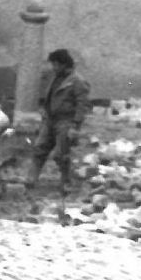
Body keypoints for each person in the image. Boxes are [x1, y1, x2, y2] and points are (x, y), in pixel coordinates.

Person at [28, 48, 93, 189]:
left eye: (56, 64)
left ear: (64, 64)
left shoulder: (77, 81)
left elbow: (82, 105)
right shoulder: (56, 78)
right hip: (50, 120)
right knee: (39, 148)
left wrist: (75, 126)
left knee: (61, 154)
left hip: (66, 121)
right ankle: (31, 179)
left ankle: (66, 181)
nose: (53, 67)